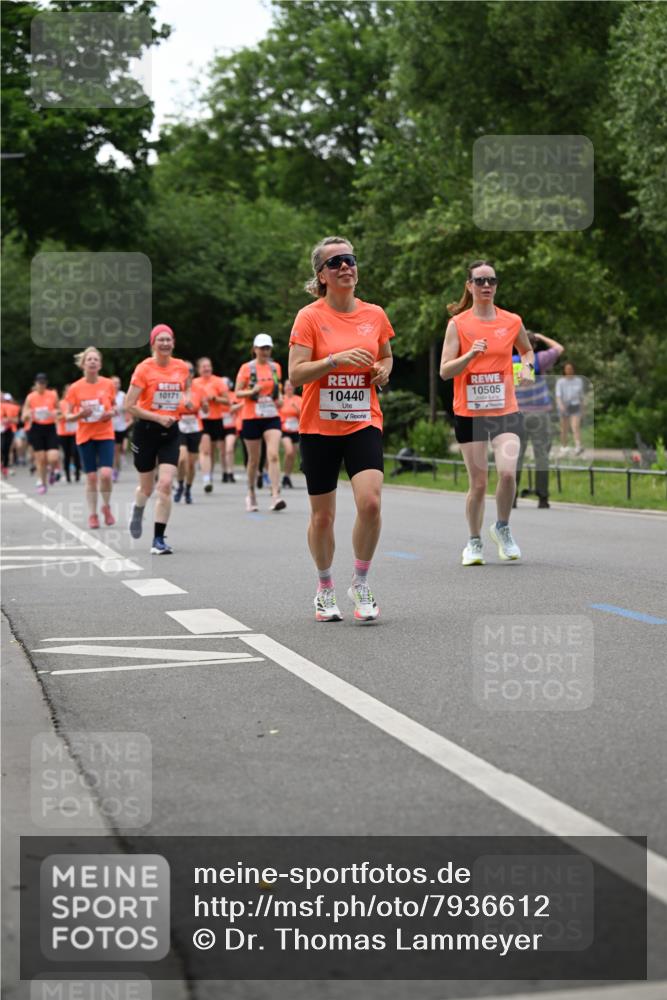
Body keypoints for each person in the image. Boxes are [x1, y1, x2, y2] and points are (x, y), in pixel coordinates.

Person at [289, 235, 394, 622]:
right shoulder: (310, 317)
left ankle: (361, 582)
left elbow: (385, 354)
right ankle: (325, 587)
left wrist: (384, 370)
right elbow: (296, 374)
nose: (346, 266)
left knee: (370, 502)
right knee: (323, 517)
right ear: (321, 276)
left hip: (363, 419)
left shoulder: (374, 314)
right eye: (336, 263)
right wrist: (334, 360)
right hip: (319, 426)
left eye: (350, 259)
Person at [439, 259, 535, 566]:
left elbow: (527, 351)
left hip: (505, 409)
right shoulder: (459, 324)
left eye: (491, 281)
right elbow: (444, 371)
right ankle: (474, 541)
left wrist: (528, 369)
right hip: (470, 412)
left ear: (496, 286)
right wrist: (469, 355)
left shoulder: (511, 321)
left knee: (507, 473)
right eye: (479, 281)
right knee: (478, 483)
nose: (486, 286)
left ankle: (502, 528)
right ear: (469, 285)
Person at [125, 324, 191, 553]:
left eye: (168, 339)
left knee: (164, 484)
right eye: (160, 340)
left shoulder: (181, 367)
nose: (165, 343)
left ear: (173, 343)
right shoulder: (144, 369)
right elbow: (129, 405)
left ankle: (158, 539)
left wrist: (188, 401)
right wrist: (157, 417)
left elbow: (186, 389)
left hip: (170, 432)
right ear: (153, 343)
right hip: (145, 432)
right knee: (146, 488)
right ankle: (138, 507)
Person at [64, 348, 116, 528]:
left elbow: (114, 408)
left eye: (96, 359)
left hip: (105, 434)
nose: (92, 362)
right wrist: (80, 415)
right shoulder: (75, 388)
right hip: (85, 436)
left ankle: (106, 506)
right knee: (92, 477)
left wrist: (110, 414)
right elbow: (67, 416)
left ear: (100, 364)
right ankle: (93, 514)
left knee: (106, 474)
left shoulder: (108, 384)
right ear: (83, 364)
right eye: (89, 360)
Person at [512, 331, 564, 509]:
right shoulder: (540, 359)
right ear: (534, 345)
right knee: (541, 456)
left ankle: (512, 497)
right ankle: (543, 498)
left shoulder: (511, 361)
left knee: (515, 457)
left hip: (517, 414)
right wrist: (542, 337)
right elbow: (559, 348)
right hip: (540, 414)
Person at [235, 334, 286, 512]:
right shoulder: (246, 368)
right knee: (253, 460)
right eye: (261, 348)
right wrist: (251, 391)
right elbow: (237, 393)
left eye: (267, 348)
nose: (265, 351)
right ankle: (251, 493)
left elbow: (277, 388)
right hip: (251, 417)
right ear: (254, 349)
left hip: (271, 415)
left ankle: (275, 495)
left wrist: (279, 398)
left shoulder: (275, 367)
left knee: (273, 454)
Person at [174, 363, 208, 504]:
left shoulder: (199, 389)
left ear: (193, 374)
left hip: (195, 427)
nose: (187, 374)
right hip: (179, 427)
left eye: (190, 371)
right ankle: (180, 485)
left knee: (191, 464)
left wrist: (203, 405)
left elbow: (205, 410)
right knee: (181, 459)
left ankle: (188, 489)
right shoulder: (175, 389)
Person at [193, 357, 228, 493]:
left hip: (216, 419)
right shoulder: (195, 383)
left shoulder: (218, 381)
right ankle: (206, 478)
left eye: (209, 366)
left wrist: (214, 398)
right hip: (201, 419)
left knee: (211, 451)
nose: (207, 369)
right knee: (205, 450)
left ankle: (209, 474)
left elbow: (227, 401)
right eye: (204, 366)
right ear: (198, 369)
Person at [21, 374, 61, 494]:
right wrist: (28, 415)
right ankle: (41, 482)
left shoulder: (53, 394)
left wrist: (54, 413)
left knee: (53, 457)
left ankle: (53, 471)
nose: (41, 385)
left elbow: (59, 411)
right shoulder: (30, 397)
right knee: (41, 458)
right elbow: (24, 415)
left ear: (46, 384)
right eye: (39, 383)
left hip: (50, 427)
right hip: (37, 428)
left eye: (43, 382)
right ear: (35, 384)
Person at [556, 362, 586, 456]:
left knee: (575, 426)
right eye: (567, 368)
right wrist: (561, 405)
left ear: (573, 369)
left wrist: (583, 408)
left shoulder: (578, 381)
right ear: (564, 370)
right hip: (564, 406)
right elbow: (558, 396)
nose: (569, 370)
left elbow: (581, 396)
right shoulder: (560, 382)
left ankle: (578, 446)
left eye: (570, 368)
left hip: (575, 405)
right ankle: (564, 447)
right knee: (564, 428)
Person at [56, 385, 81, 484]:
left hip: (76, 431)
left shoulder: (78, 402)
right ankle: (67, 474)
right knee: (67, 453)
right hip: (64, 432)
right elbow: (57, 417)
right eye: (68, 391)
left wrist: (75, 416)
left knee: (76, 452)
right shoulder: (61, 403)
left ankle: (78, 472)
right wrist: (66, 416)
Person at [279, 380, 302, 488]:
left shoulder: (298, 399)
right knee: (289, 451)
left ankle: (287, 476)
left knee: (293, 455)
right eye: (287, 385)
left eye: (291, 385)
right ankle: (285, 475)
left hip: (296, 430)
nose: (289, 387)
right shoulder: (280, 399)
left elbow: (303, 415)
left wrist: (296, 408)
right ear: (284, 387)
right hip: (284, 430)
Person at [111, 375, 131, 481]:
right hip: (109, 427)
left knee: (117, 451)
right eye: (114, 382)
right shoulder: (107, 394)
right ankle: (113, 469)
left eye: (117, 383)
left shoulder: (122, 395)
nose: (116, 385)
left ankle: (116, 469)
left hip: (120, 427)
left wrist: (120, 408)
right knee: (113, 451)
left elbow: (128, 408)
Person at [220, 377, 240, 483]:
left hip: (231, 425)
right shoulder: (218, 396)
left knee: (229, 448)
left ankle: (230, 472)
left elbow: (238, 406)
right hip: (219, 425)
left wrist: (234, 408)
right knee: (222, 451)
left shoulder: (233, 395)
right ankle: (224, 472)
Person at [1, 393, 21, 477]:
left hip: (9, 430)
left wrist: (9, 420)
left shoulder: (14, 408)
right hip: (1, 430)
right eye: (5, 400)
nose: (6, 402)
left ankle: (5, 466)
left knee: (7, 449)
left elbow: (17, 420)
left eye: (8, 400)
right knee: (2, 448)